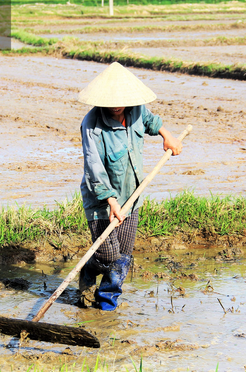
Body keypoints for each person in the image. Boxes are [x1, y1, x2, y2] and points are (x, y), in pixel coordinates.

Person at [76, 62, 182, 311]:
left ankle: (107, 303)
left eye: (121, 100)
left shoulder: (135, 109)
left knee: (123, 255)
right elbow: (94, 168)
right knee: (107, 255)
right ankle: (88, 270)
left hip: (131, 196)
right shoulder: (92, 125)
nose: (116, 105)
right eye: (111, 100)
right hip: (102, 202)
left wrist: (167, 135)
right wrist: (111, 201)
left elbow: (150, 121)